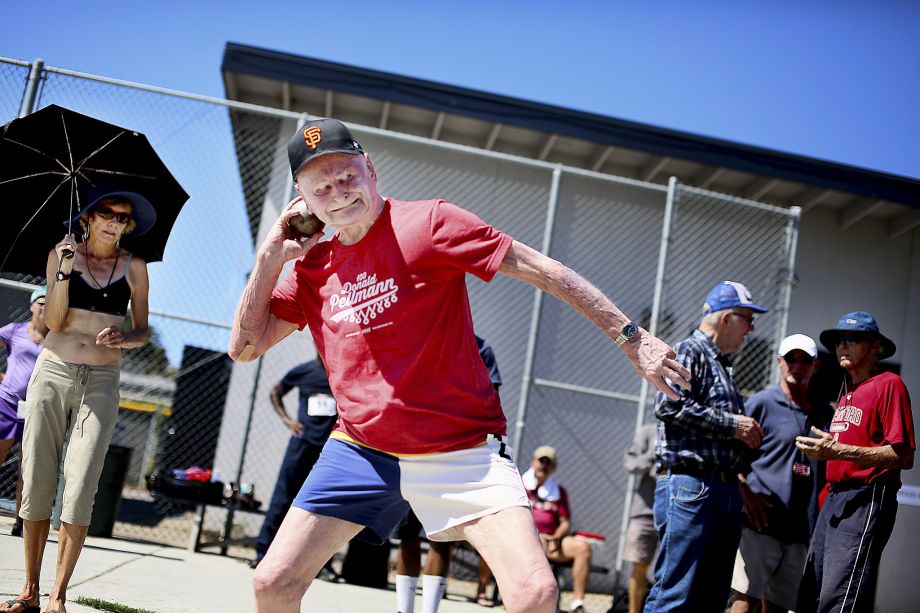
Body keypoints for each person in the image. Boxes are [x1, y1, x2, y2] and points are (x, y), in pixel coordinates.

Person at [228, 117, 690, 613]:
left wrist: (632, 337)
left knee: (536, 593)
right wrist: (271, 257)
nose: (338, 194)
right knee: (272, 583)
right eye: (321, 187)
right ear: (302, 200)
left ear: (371, 168)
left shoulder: (429, 223)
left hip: (460, 451)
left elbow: (542, 269)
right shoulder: (310, 271)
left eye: (346, 176)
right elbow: (245, 347)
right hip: (360, 450)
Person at [1, 188, 154, 613]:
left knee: (83, 482)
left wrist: (126, 338)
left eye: (122, 217)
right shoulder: (60, 256)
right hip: (52, 371)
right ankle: (30, 589)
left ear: (129, 225)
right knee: (37, 479)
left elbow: (142, 329)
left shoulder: (135, 267)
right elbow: (52, 322)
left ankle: (58, 596)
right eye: (106, 212)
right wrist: (65, 270)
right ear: (87, 217)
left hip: (102, 379)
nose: (114, 221)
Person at [644, 281, 767, 613]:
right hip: (691, 485)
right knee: (677, 592)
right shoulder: (689, 351)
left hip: (719, 489)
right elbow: (668, 406)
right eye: (748, 318)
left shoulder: (720, 365)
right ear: (727, 318)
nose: (752, 328)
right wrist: (734, 424)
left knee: (710, 597)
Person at [795, 312, 915, 613]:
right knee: (811, 590)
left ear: (874, 346)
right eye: (839, 341)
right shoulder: (847, 393)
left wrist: (839, 451)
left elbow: (903, 456)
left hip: (866, 497)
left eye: (853, 339)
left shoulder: (889, 384)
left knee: (839, 596)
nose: (842, 347)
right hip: (835, 499)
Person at [396, 334, 502, 613]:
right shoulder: (420, 336)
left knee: (441, 538)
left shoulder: (481, 348)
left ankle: (429, 609)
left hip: (453, 454)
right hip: (413, 449)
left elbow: (489, 398)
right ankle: (403, 609)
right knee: (407, 536)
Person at [730, 334, 832, 613]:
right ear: (779, 362)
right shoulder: (762, 403)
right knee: (745, 601)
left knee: (778, 607)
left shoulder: (824, 413)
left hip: (800, 529)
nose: (797, 365)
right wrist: (746, 494)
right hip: (760, 525)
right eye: (790, 358)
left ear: (816, 365)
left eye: (805, 359)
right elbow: (731, 458)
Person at [251, 354, 337, 573]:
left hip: (330, 449)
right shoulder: (304, 371)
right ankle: (263, 553)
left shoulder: (340, 372)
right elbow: (275, 392)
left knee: (325, 505)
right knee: (283, 496)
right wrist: (287, 420)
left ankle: (321, 565)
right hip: (302, 445)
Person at [0, 286, 48, 538]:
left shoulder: (57, 339)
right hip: (7, 402)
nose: (44, 306)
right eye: (40, 301)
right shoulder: (14, 331)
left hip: (37, 408)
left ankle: (20, 521)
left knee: (27, 468)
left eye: (50, 302)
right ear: (31, 306)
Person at [523, 445, 594, 613]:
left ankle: (577, 603)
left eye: (549, 463)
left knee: (583, 548)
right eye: (541, 461)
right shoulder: (520, 484)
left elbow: (565, 523)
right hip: (525, 538)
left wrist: (556, 537)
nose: (544, 466)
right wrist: (535, 535)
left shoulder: (559, 492)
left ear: (553, 468)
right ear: (533, 462)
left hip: (551, 541)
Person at [622, 423, 657, 613]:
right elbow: (630, 464)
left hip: (678, 511)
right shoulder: (648, 432)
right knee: (639, 567)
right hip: (645, 511)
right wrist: (653, 455)